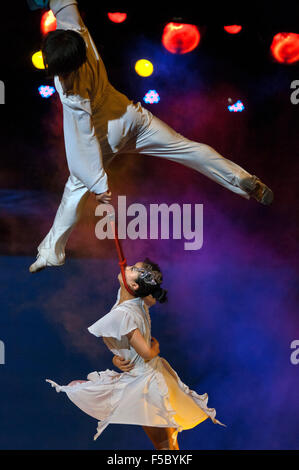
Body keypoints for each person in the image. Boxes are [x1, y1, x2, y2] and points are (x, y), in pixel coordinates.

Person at [28, 0, 273, 273]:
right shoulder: (78, 36)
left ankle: (52, 251)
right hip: (131, 115)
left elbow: (81, 139)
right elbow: (65, 8)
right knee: (185, 148)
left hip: (106, 134)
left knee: (75, 187)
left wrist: (98, 185)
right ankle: (240, 178)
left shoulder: (70, 90)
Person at [46, 258, 226, 450]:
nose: (125, 266)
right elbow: (149, 297)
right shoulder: (136, 300)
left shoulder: (126, 313)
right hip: (145, 377)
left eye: (131, 268)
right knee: (167, 444)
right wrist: (117, 357)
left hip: (147, 385)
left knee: (165, 446)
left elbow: (147, 353)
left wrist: (155, 349)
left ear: (133, 285)